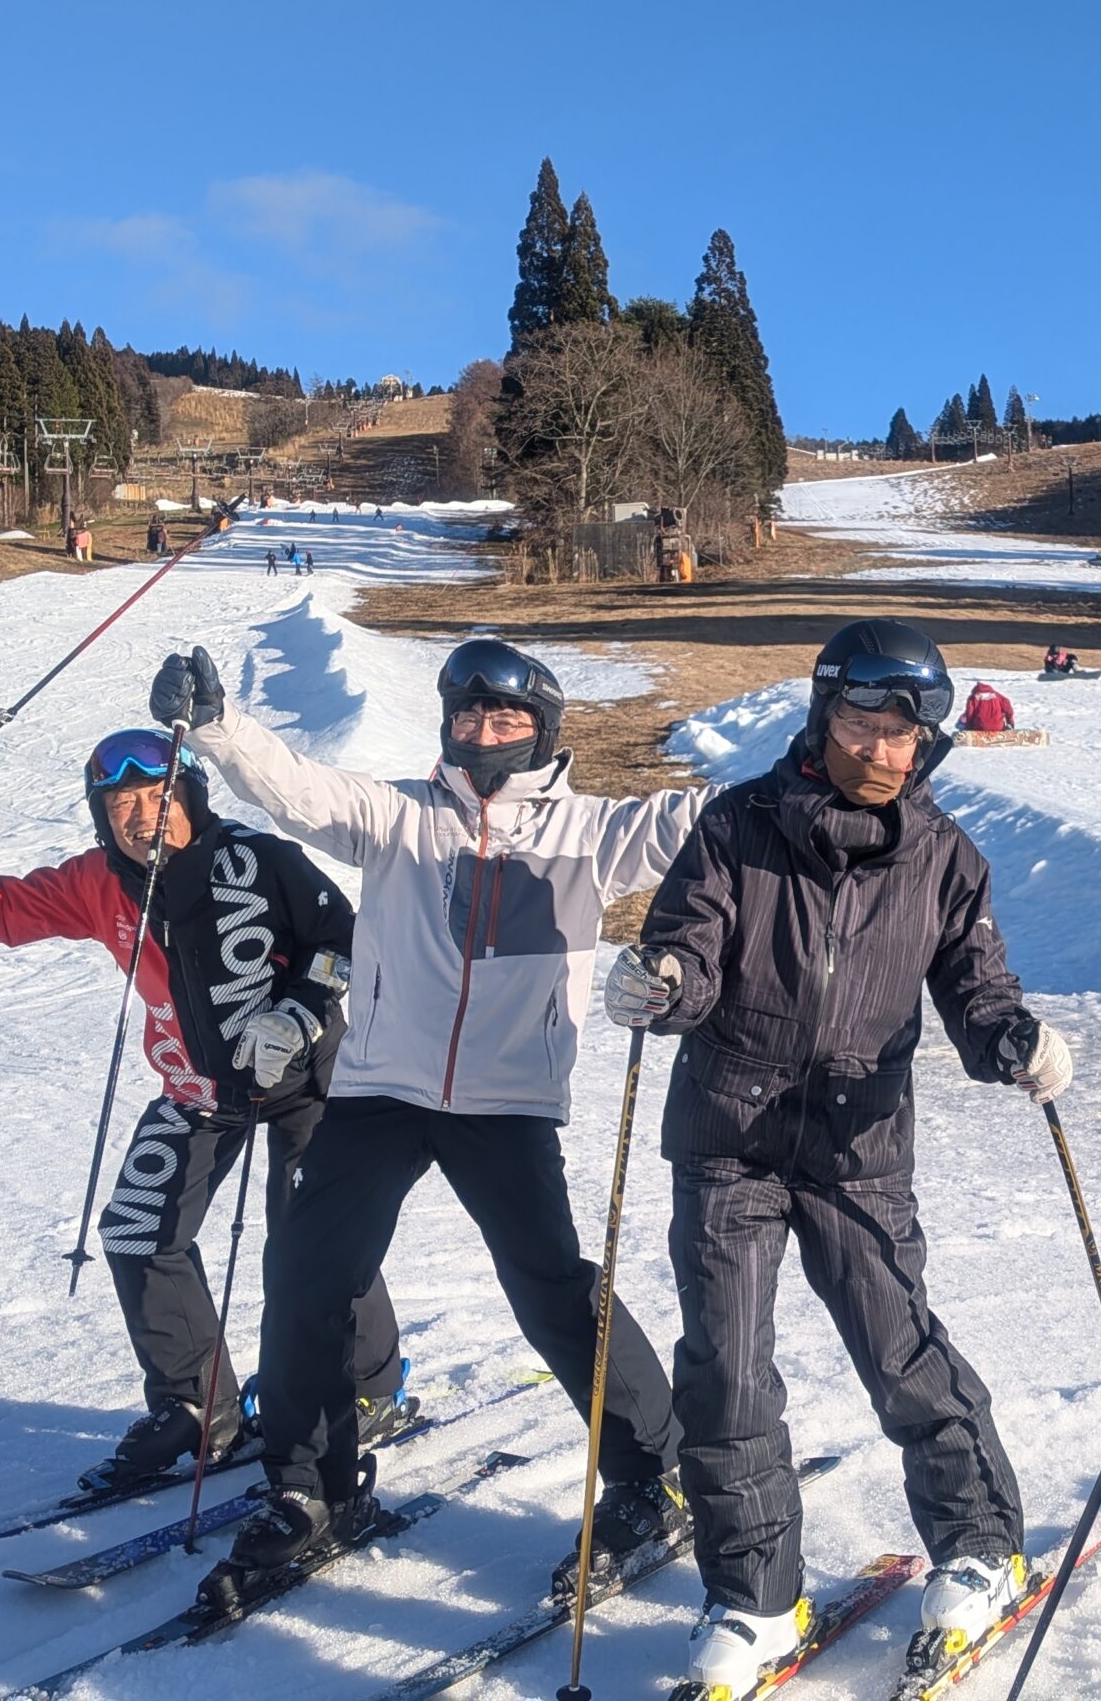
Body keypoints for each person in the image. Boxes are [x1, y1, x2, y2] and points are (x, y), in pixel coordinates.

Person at [146, 638, 708, 1590]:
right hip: (380, 1091)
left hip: (508, 1103)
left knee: (550, 1289)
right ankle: (310, 1489)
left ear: (543, 729)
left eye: (506, 717)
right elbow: (299, 790)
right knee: (307, 1274)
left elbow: (706, 817)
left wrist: (826, 755)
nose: (483, 732)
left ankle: (653, 1474)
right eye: (467, 715)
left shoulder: (590, 833)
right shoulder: (399, 816)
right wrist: (218, 726)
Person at [607, 618, 1075, 1695]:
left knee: (898, 1347)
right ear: (824, 716)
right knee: (726, 1371)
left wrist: (1012, 1037)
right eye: (862, 722)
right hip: (728, 1139)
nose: (879, 748)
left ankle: (979, 1544)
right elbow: (690, 945)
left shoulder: (946, 857)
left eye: (902, 733)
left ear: (927, 742)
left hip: (859, 1144)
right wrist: (666, 983)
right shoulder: (738, 825)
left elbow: (976, 988)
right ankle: (754, 1598)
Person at [0, 731, 401, 1489]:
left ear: (190, 796)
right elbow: (4, 909)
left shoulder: (261, 859)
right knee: (138, 1231)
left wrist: (298, 1010)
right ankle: (197, 1407)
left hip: (307, 1078)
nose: (141, 817)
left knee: (313, 1241)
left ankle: (369, 1388)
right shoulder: (99, 880)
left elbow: (344, 939)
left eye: (156, 796)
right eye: (120, 805)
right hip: (196, 1087)